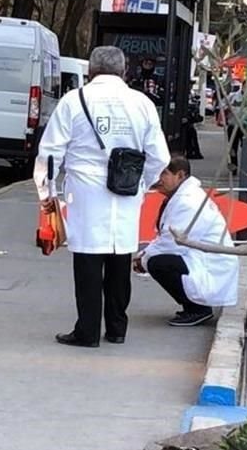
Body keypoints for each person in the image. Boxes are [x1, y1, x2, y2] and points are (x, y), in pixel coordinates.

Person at [35, 46, 170, 348]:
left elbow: (50, 153)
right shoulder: (142, 104)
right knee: (121, 258)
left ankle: (87, 330)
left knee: (87, 261)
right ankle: (117, 328)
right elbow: (159, 157)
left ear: (90, 71)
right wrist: (141, 183)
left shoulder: (73, 101)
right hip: (126, 189)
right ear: (124, 72)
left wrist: (47, 193)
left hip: (85, 191)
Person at [135, 157, 239, 326]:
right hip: (199, 257)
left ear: (180, 175)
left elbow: (173, 241)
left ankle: (197, 309)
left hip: (209, 265)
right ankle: (193, 306)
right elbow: (166, 236)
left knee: (158, 263)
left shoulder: (188, 201)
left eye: (164, 173)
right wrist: (144, 255)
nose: (158, 178)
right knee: (154, 260)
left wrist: (144, 259)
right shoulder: (181, 196)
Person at [218, 81, 244, 173]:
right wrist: (227, 108)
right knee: (233, 148)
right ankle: (234, 167)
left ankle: (246, 168)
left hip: (245, 126)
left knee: (246, 148)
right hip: (233, 125)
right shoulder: (233, 96)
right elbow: (221, 105)